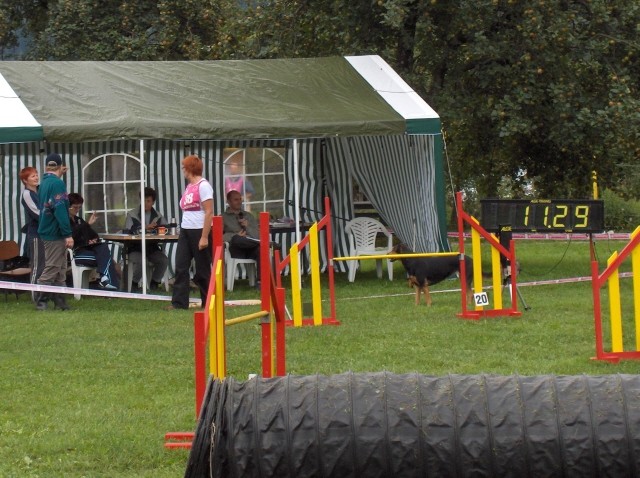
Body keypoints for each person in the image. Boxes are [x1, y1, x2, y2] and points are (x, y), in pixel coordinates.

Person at [167, 155, 213, 310]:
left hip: (200, 230)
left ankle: (207, 303)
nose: (183, 170)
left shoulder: (203, 186)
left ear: (190, 168)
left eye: (184, 167)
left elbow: (208, 212)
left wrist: (204, 237)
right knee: (181, 266)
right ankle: (179, 303)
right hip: (186, 230)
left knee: (203, 269)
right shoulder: (188, 187)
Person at [35, 153, 73, 311]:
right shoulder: (57, 184)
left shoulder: (44, 183)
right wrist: (68, 234)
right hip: (55, 231)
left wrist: (59, 173)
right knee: (52, 267)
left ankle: (60, 301)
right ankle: (40, 301)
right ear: (60, 166)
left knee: (60, 267)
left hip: (47, 228)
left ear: (46, 167)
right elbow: (60, 209)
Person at [68, 193, 120, 290]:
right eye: (75, 207)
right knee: (107, 258)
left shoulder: (79, 220)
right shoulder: (65, 221)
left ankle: (106, 281)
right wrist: (87, 224)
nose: (77, 210)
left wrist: (93, 240)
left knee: (103, 247)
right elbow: (72, 234)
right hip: (76, 253)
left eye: (79, 207)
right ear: (68, 206)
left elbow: (93, 235)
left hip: (87, 251)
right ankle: (111, 285)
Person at [123, 187, 169, 291]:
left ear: (153, 202)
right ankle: (134, 284)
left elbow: (166, 228)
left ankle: (154, 283)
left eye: (148, 201)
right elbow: (127, 231)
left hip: (151, 248)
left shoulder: (158, 216)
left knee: (163, 260)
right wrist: (144, 228)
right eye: (143, 200)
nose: (145, 203)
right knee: (141, 261)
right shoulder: (132, 214)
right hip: (134, 248)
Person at [222, 190, 261, 283]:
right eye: (236, 199)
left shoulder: (249, 216)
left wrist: (248, 226)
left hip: (251, 249)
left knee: (261, 249)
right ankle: (268, 244)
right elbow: (219, 237)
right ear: (228, 201)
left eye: (240, 199)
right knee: (237, 239)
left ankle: (261, 282)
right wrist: (235, 235)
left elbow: (257, 236)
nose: (239, 202)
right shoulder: (222, 217)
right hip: (235, 250)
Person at [20, 166, 45, 296]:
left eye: (36, 175)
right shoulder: (27, 194)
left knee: (46, 265)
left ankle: (46, 294)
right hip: (36, 235)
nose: (36, 177)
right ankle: (36, 296)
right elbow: (38, 214)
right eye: (32, 176)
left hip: (45, 234)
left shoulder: (39, 191)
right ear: (25, 180)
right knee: (37, 266)